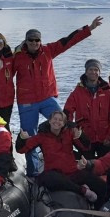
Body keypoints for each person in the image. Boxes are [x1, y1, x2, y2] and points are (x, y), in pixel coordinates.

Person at [14, 16, 103, 176]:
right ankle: (33, 174)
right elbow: (4, 72)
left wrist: (88, 29)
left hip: (47, 98)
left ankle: (71, 161)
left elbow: (68, 41)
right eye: (31, 40)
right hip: (27, 102)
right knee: (29, 136)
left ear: (40, 41)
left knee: (66, 124)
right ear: (26, 41)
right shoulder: (17, 56)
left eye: (37, 40)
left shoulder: (48, 50)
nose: (34, 43)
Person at [16, 110, 107, 207]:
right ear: (50, 121)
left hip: (72, 172)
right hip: (55, 174)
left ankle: (98, 211)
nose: (57, 122)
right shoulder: (42, 136)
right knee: (46, 178)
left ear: (63, 123)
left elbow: (86, 147)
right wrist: (21, 138)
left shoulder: (69, 133)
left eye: (60, 120)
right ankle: (82, 190)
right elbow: (22, 149)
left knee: (101, 185)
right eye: (55, 119)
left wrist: (80, 136)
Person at [63, 59, 110, 161]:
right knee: (86, 166)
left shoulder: (107, 91)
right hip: (85, 138)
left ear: (99, 72)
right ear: (86, 71)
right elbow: (67, 112)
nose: (93, 72)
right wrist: (73, 128)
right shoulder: (77, 92)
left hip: (104, 137)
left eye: (96, 69)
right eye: (90, 69)